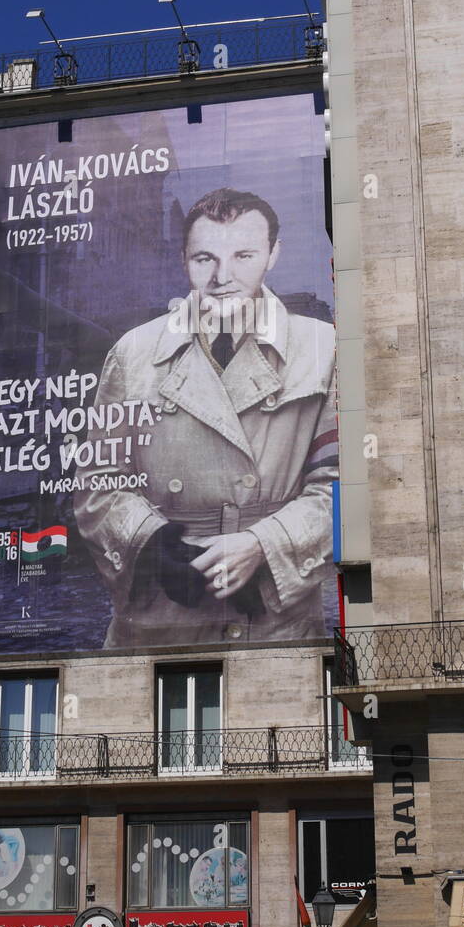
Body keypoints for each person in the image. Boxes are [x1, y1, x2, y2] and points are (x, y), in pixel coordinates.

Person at [74, 188, 337, 648]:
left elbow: (342, 487)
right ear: (183, 260)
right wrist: (153, 544)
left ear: (273, 254)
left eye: (244, 255)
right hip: (158, 616)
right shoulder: (135, 352)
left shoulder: (322, 348)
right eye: (204, 259)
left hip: (274, 616)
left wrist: (263, 545)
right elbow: (97, 483)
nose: (223, 277)